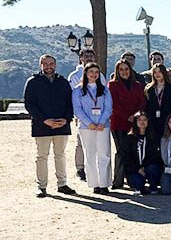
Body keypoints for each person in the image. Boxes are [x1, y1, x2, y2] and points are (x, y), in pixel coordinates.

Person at [25, 54, 77, 197]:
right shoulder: (33, 82)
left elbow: (70, 103)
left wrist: (66, 119)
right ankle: (41, 187)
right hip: (41, 125)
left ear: (55, 65)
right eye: (45, 63)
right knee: (42, 156)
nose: (49, 66)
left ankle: (62, 184)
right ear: (40, 65)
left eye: (51, 63)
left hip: (62, 125)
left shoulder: (63, 82)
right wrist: (45, 120)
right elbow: (29, 104)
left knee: (60, 156)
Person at [72, 62, 113, 194]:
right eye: (91, 72)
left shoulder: (105, 90)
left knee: (104, 154)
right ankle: (95, 184)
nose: (94, 75)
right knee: (90, 155)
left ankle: (104, 183)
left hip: (103, 126)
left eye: (96, 72)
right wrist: (88, 122)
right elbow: (77, 109)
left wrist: (102, 122)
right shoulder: (77, 91)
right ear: (86, 73)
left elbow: (108, 107)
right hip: (86, 127)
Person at [108, 59, 146, 190]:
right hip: (119, 122)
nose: (124, 72)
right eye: (121, 70)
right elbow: (113, 104)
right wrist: (127, 116)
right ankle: (118, 181)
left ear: (130, 70)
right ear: (117, 71)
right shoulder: (112, 85)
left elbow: (142, 102)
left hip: (134, 123)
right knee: (121, 151)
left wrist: (135, 116)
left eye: (126, 69)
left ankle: (132, 179)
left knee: (133, 152)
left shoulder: (138, 85)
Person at [68, 49, 105, 181]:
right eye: (86, 56)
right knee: (81, 142)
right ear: (81, 58)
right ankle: (80, 168)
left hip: (99, 115)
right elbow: (73, 97)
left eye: (91, 56)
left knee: (98, 143)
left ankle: (96, 168)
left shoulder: (100, 75)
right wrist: (76, 116)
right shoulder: (74, 76)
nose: (89, 58)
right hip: (83, 115)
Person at [122, 111, 162, 196]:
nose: (142, 122)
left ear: (148, 122)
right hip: (135, 168)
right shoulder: (129, 138)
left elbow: (156, 155)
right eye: (139, 120)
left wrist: (144, 167)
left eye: (144, 120)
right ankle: (140, 186)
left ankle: (153, 186)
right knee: (138, 184)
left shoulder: (154, 137)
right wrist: (138, 168)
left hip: (148, 166)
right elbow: (126, 157)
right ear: (136, 122)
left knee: (153, 168)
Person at [143, 63, 171, 140]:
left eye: (159, 72)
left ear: (164, 73)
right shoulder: (149, 89)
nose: (157, 74)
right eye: (155, 72)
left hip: (167, 122)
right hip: (152, 122)